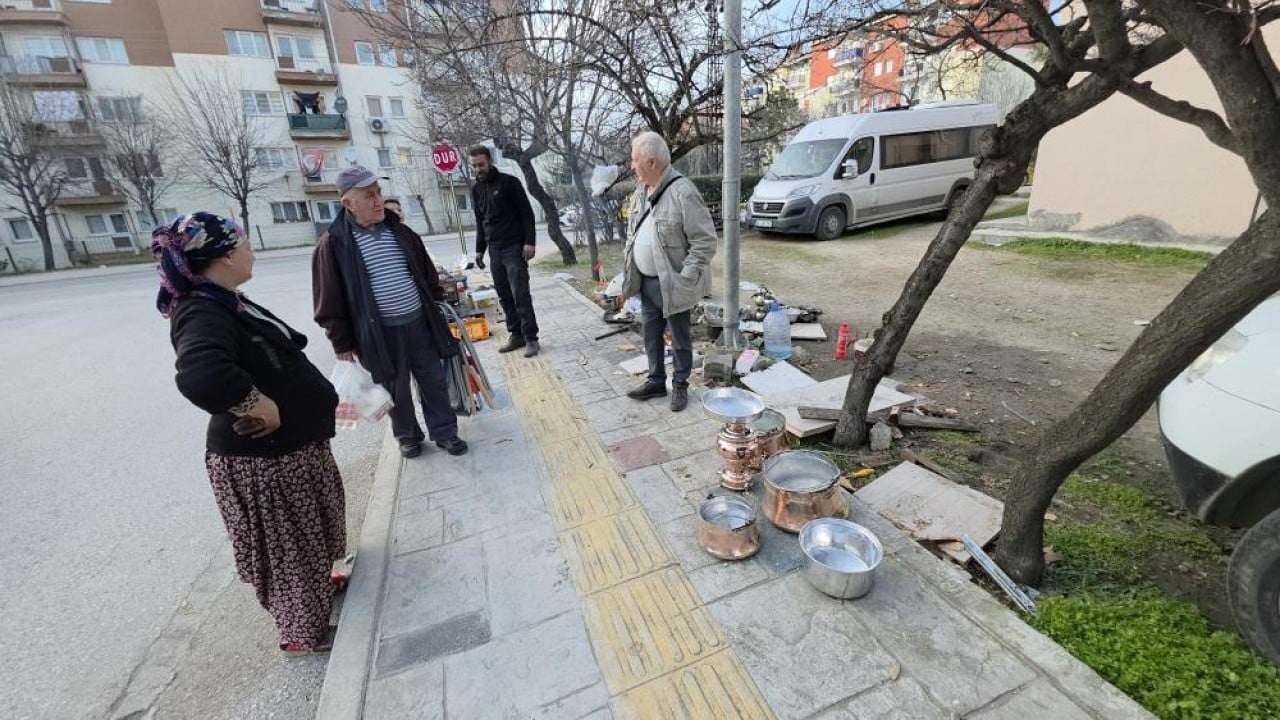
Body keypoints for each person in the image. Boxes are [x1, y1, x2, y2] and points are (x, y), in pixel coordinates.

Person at [153, 212, 346, 655]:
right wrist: (253, 402)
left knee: (308, 539)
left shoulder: (222, 298)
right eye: (242, 243)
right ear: (222, 255)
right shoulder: (200, 309)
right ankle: (303, 634)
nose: (251, 250)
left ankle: (315, 592)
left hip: (290, 452)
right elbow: (201, 374)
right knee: (291, 550)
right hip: (266, 461)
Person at [313, 166, 469, 459]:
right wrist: (341, 343)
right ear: (348, 203)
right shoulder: (333, 244)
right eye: (369, 195)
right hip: (378, 333)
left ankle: (445, 431)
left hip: (419, 324)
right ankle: (408, 436)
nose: (377, 201)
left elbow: (426, 272)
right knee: (394, 389)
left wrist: (437, 306)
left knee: (432, 380)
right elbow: (328, 299)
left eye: (379, 193)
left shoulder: (400, 231)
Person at [622, 131, 718, 412]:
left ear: (651, 162)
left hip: (673, 283)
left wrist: (685, 277)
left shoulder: (683, 192)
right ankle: (655, 380)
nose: (632, 165)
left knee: (679, 336)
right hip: (647, 280)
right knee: (650, 332)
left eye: (635, 159)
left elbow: (705, 241)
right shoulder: (641, 191)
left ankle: (680, 385)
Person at [469, 146, 540, 357]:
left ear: (489, 161)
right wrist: (479, 250)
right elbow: (481, 222)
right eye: (473, 166)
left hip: (514, 247)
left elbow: (527, 214)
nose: (477, 169)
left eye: (480, 164)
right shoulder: (475, 189)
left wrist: (530, 242)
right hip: (495, 250)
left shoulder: (509, 183)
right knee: (504, 295)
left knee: (520, 294)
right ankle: (516, 335)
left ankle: (531, 338)